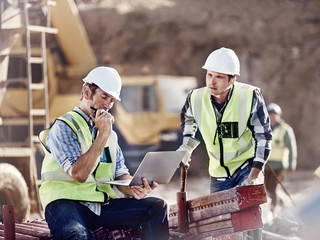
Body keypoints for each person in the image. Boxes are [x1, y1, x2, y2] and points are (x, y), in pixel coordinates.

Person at [38, 66, 169, 240]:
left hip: (101, 206)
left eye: (112, 100)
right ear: (86, 92)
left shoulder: (110, 135)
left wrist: (136, 187)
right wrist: (103, 135)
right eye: (104, 96)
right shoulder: (64, 126)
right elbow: (79, 173)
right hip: (65, 204)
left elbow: (120, 175)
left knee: (157, 208)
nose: (108, 105)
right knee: (76, 235)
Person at [178, 47, 272, 240]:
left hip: (246, 166)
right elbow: (190, 125)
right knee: (220, 226)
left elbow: (263, 136)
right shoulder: (195, 99)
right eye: (209, 74)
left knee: (251, 215)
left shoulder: (250, 96)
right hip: (218, 173)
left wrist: (255, 175)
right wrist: (186, 148)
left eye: (219, 77)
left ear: (232, 79)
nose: (212, 82)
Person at [264, 103, 297, 212]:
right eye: (269, 114)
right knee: (267, 188)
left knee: (273, 188)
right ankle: (281, 202)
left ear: (279, 116)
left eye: (274, 114)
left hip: (279, 165)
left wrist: (292, 164)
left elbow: (292, 147)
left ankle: (273, 210)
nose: (271, 117)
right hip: (266, 165)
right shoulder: (264, 128)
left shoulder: (285, 129)